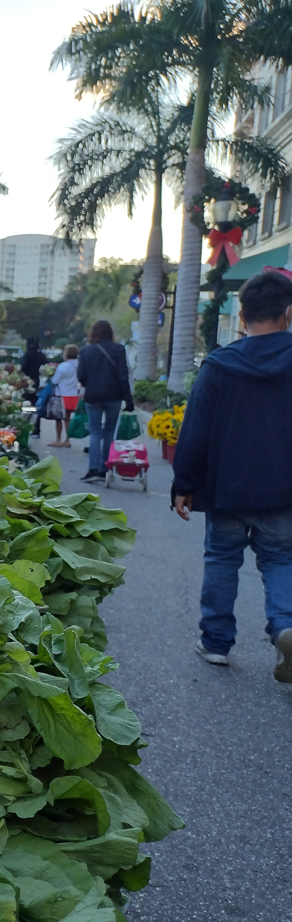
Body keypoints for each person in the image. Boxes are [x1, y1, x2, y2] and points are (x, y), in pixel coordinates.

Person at [172, 270, 292, 676]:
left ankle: (216, 643)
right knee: (280, 560)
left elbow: (196, 429)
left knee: (222, 559)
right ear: (289, 313)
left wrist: (184, 484)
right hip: (284, 490)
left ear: (241, 315)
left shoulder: (221, 364)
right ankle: (285, 628)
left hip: (226, 488)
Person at [76, 320, 133, 481]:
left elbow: (80, 375)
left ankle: (92, 468)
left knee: (94, 431)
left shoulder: (86, 351)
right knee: (109, 431)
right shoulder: (118, 349)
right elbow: (123, 376)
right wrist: (128, 399)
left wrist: (91, 383)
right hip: (113, 396)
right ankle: (104, 468)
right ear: (110, 333)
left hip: (92, 396)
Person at [47, 344, 81, 448]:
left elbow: (55, 380)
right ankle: (67, 440)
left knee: (58, 419)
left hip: (61, 395)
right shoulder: (79, 365)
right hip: (74, 395)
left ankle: (58, 439)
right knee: (68, 418)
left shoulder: (63, 366)